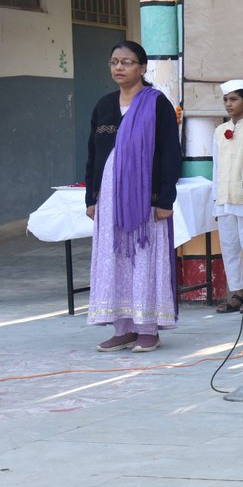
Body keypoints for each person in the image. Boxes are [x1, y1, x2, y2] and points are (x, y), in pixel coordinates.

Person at [86, 40, 182, 353]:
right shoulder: (103, 105)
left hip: (146, 202)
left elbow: (170, 153)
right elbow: (92, 154)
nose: (119, 67)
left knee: (144, 259)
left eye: (127, 62)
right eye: (115, 61)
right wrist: (92, 197)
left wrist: (165, 200)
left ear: (142, 68)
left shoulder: (155, 104)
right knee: (114, 260)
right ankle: (123, 327)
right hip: (110, 201)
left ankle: (147, 328)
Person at [212, 79, 243, 315]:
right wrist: (215, 202)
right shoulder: (220, 131)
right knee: (228, 246)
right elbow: (216, 167)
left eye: (234, 99)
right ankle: (237, 291)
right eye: (226, 100)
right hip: (224, 198)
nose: (229, 104)